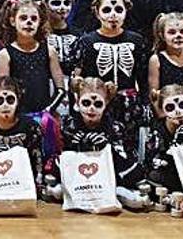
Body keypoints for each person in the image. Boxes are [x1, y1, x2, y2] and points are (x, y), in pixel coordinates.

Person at [71, 0, 149, 147]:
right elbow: (77, 80)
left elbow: (143, 78)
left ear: (126, 11)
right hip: (97, 105)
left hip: (129, 105)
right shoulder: (86, 42)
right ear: (97, 12)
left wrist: (145, 106)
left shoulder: (137, 41)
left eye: (118, 9)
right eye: (107, 10)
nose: (113, 14)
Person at [0, 0, 65, 170]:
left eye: (33, 19)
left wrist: (48, 111)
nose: (28, 23)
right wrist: (15, 114)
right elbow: (3, 92)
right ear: (13, 21)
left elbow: (61, 89)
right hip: (18, 117)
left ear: (40, 21)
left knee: (46, 157)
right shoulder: (6, 54)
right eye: (23, 18)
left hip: (45, 117)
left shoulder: (48, 51)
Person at [61, 76, 147, 208]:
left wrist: (106, 149)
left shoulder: (115, 127)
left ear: (106, 103)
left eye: (98, 104)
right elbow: (63, 158)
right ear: (77, 102)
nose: (91, 109)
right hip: (77, 177)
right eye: (86, 103)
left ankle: (119, 193)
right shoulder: (69, 124)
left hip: (108, 177)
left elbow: (123, 161)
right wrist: (77, 146)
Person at [0, 76, 44, 192]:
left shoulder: (31, 127)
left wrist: (37, 185)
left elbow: (38, 160)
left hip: (24, 185)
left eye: (10, 100)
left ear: (18, 100)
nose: (5, 105)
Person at [144, 84, 183, 192]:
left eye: (182, 106)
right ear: (162, 110)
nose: (177, 112)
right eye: (170, 107)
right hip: (165, 175)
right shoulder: (156, 132)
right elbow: (153, 162)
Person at [147, 13, 183, 126]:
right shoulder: (157, 60)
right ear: (162, 35)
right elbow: (154, 95)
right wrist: (165, 120)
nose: (178, 36)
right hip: (166, 121)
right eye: (172, 32)